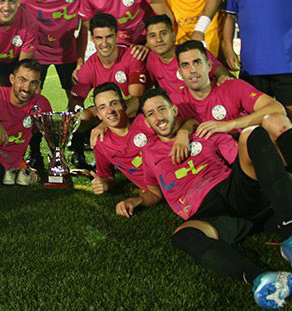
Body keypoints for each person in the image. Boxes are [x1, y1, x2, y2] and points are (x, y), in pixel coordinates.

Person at [117, 88, 292, 309]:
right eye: (151, 113)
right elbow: (154, 191)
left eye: (162, 108)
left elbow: (240, 159)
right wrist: (136, 201)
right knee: (183, 236)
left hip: (231, 190)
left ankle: (289, 234)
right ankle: (262, 278)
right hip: (207, 211)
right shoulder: (149, 154)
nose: (159, 116)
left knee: (251, 135)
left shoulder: (203, 132)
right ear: (147, 121)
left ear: (173, 109)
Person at [19, 0, 86, 172]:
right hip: (37, 53)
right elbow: (6, 1)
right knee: (33, 102)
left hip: (67, 52)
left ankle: (77, 150)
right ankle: (34, 152)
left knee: (77, 101)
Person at [69, 13, 147, 168]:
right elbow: (74, 102)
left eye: (109, 37)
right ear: (92, 38)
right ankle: (78, 151)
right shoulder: (89, 67)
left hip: (133, 115)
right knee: (83, 115)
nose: (104, 43)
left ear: (117, 35)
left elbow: (136, 99)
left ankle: (131, 152)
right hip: (109, 113)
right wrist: (85, 113)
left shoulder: (131, 56)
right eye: (99, 38)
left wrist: (105, 123)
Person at [172, 40, 288, 142]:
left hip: (247, 152)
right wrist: (183, 132)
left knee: (277, 121)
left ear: (209, 65)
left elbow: (277, 108)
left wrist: (230, 125)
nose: (192, 70)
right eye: (185, 65)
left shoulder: (231, 86)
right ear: (180, 72)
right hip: (207, 162)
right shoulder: (176, 102)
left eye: (197, 62)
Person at [0, 58, 52, 185]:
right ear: (12, 79)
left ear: (38, 85)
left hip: (6, 161)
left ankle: (18, 167)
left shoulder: (41, 103)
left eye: (33, 83)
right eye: (22, 80)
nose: (26, 88)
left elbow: (52, 134)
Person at [144, 15, 230, 95]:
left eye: (163, 33)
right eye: (152, 36)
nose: (159, 39)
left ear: (173, 35)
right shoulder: (151, 59)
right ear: (147, 40)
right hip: (177, 109)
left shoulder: (195, 53)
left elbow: (228, 78)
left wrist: (223, 80)